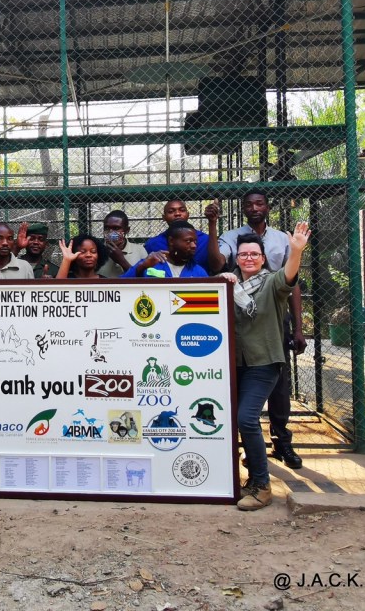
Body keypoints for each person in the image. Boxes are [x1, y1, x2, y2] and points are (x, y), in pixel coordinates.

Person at [206, 191, 306, 469]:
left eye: (259, 203)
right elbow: (216, 264)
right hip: (240, 323)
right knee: (242, 402)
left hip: (271, 313)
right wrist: (213, 225)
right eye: (248, 204)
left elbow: (290, 280)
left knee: (279, 389)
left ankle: (282, 441)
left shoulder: (281, 240)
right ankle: (248, 448)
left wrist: (298, 327)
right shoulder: (231, 238)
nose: (254, 208)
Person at [218, 222, 310, 510]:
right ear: (237, 258)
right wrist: (221, 282)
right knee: (236, 421)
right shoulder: (226, 284)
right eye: (243, 254)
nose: (248, 258)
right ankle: (244, 480)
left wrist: (296, 251)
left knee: (246, 419)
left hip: (264, 362)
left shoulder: (271, 283)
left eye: (254, 254)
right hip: (233, 364)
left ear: (262, 258)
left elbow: (288, 276)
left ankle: (262, 486)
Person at [143, 199, 211, 272]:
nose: (177, 214)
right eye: (171, 211)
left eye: (182, 210)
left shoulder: (205, 240)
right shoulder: (153, 244)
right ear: (164, 217)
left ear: (188, 215)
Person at [122, 221, 207, 279]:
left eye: (195, 241)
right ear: (171, 241)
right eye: (188, 241)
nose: (194, 245)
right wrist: (142, 266)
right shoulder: (151, 263)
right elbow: (121, 285)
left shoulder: (198, 271)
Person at [97, 210, 147, 278]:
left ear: (127, 230)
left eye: (116, 228)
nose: (110, 232)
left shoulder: (139, 251)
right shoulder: (96, 251)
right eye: (107, 228)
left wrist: (121, 261)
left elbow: (144, 279)